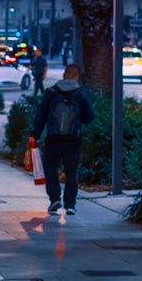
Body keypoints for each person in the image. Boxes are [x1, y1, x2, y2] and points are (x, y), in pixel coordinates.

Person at [32, 63, 95, 220]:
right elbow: (89, 117)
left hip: (53, 138)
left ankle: (54, 200)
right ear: (76, 77)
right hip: (72, 140)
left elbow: (40, 116)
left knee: (51, 168)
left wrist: (35, 135)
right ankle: (70, 204)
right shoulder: (80, 94)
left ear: (64, 74)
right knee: (71, 172)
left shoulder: (51, 92)